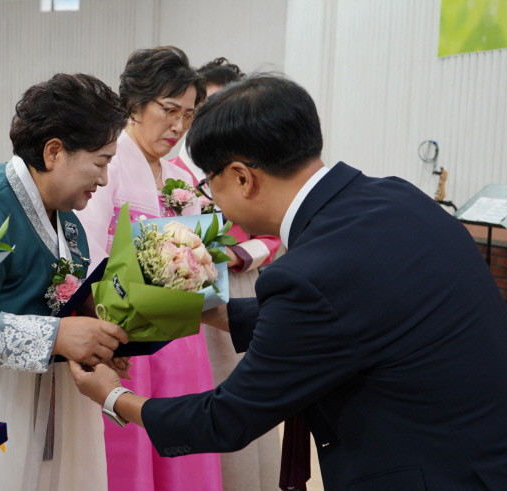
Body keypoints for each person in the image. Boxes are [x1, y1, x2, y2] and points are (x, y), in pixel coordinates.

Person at [70, 73, 507, 490]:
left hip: (437, 474)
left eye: (211, 185)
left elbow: (227, 418)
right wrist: (199, 306)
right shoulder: (398, 197)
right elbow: (341, 312)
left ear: (242, 178)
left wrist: (112, 396)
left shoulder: (311, 272)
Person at [0, 73, 129, 491]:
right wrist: (56, 336)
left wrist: (97, 336)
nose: (105, 179)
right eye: (100, 162)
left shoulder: (65, 215)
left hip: (54, 399)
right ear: (54, 152)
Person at [75, 46, 222, 491]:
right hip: (126, 331)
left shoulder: (180, 173)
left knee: (182, 439)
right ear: (134, 105)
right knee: (133, 446)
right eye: (169, 110)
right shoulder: (110, 163)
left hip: (179, 336)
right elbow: (87, 250)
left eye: (188, 114)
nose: (178, 125)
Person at [173, 56, 283, 491]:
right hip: (186, 291)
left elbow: (275, 234)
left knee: (242, 391)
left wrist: (238, 254)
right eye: (201, 107)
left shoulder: (250, 165)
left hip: (239, 286)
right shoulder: (174, 170)